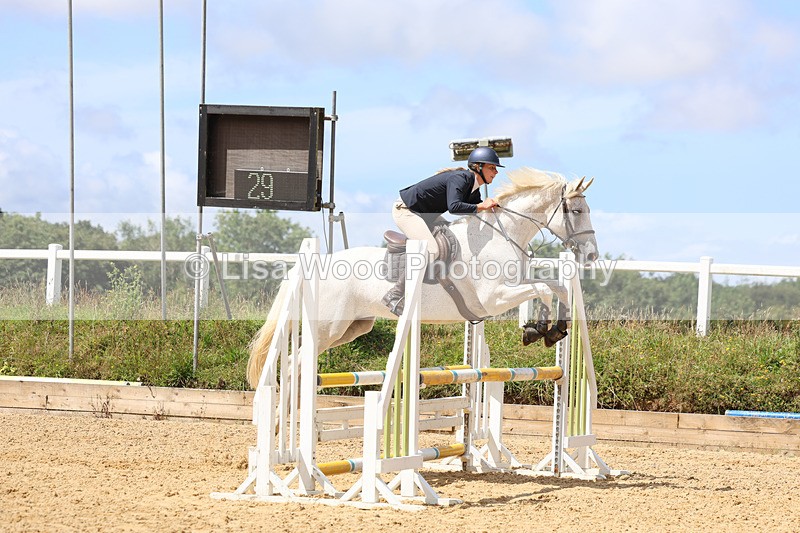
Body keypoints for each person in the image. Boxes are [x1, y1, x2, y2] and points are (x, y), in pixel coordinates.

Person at [382, 146, 504, 315]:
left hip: (426, 215)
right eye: (492, 167)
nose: (496, 172)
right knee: (432, 249)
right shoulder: (461, 178)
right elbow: (454, 206)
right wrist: (481, 206)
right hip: (407, 211)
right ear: (478, 167)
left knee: (450, 234)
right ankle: (394, 294)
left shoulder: (473, 188)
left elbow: (474, 212)